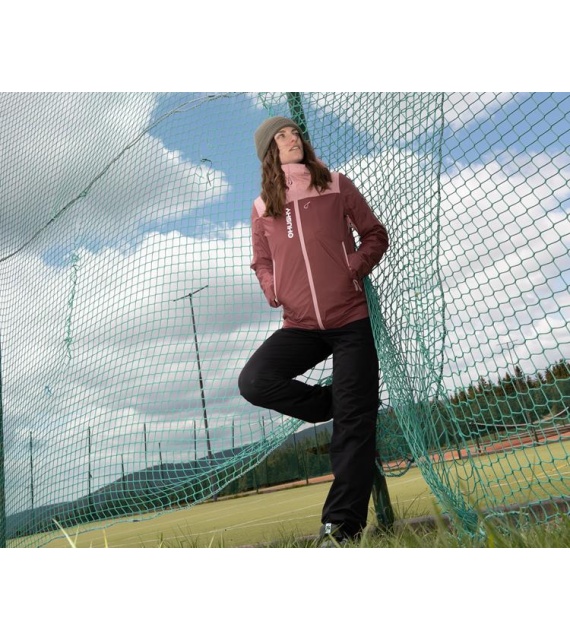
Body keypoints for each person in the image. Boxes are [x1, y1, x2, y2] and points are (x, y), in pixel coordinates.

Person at [238, 116, 389, 546]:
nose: (292, 139)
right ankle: (334, 404)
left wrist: (353, 268)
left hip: (351, 319)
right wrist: (273, 289)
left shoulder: (336, 185)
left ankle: (341, 529)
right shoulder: (262, 208)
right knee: (255, 381)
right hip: (301, 325)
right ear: (269, 152)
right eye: (281, 136)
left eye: (294, 133)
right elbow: (261, 260)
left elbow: (374, 235)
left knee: (354, 425)